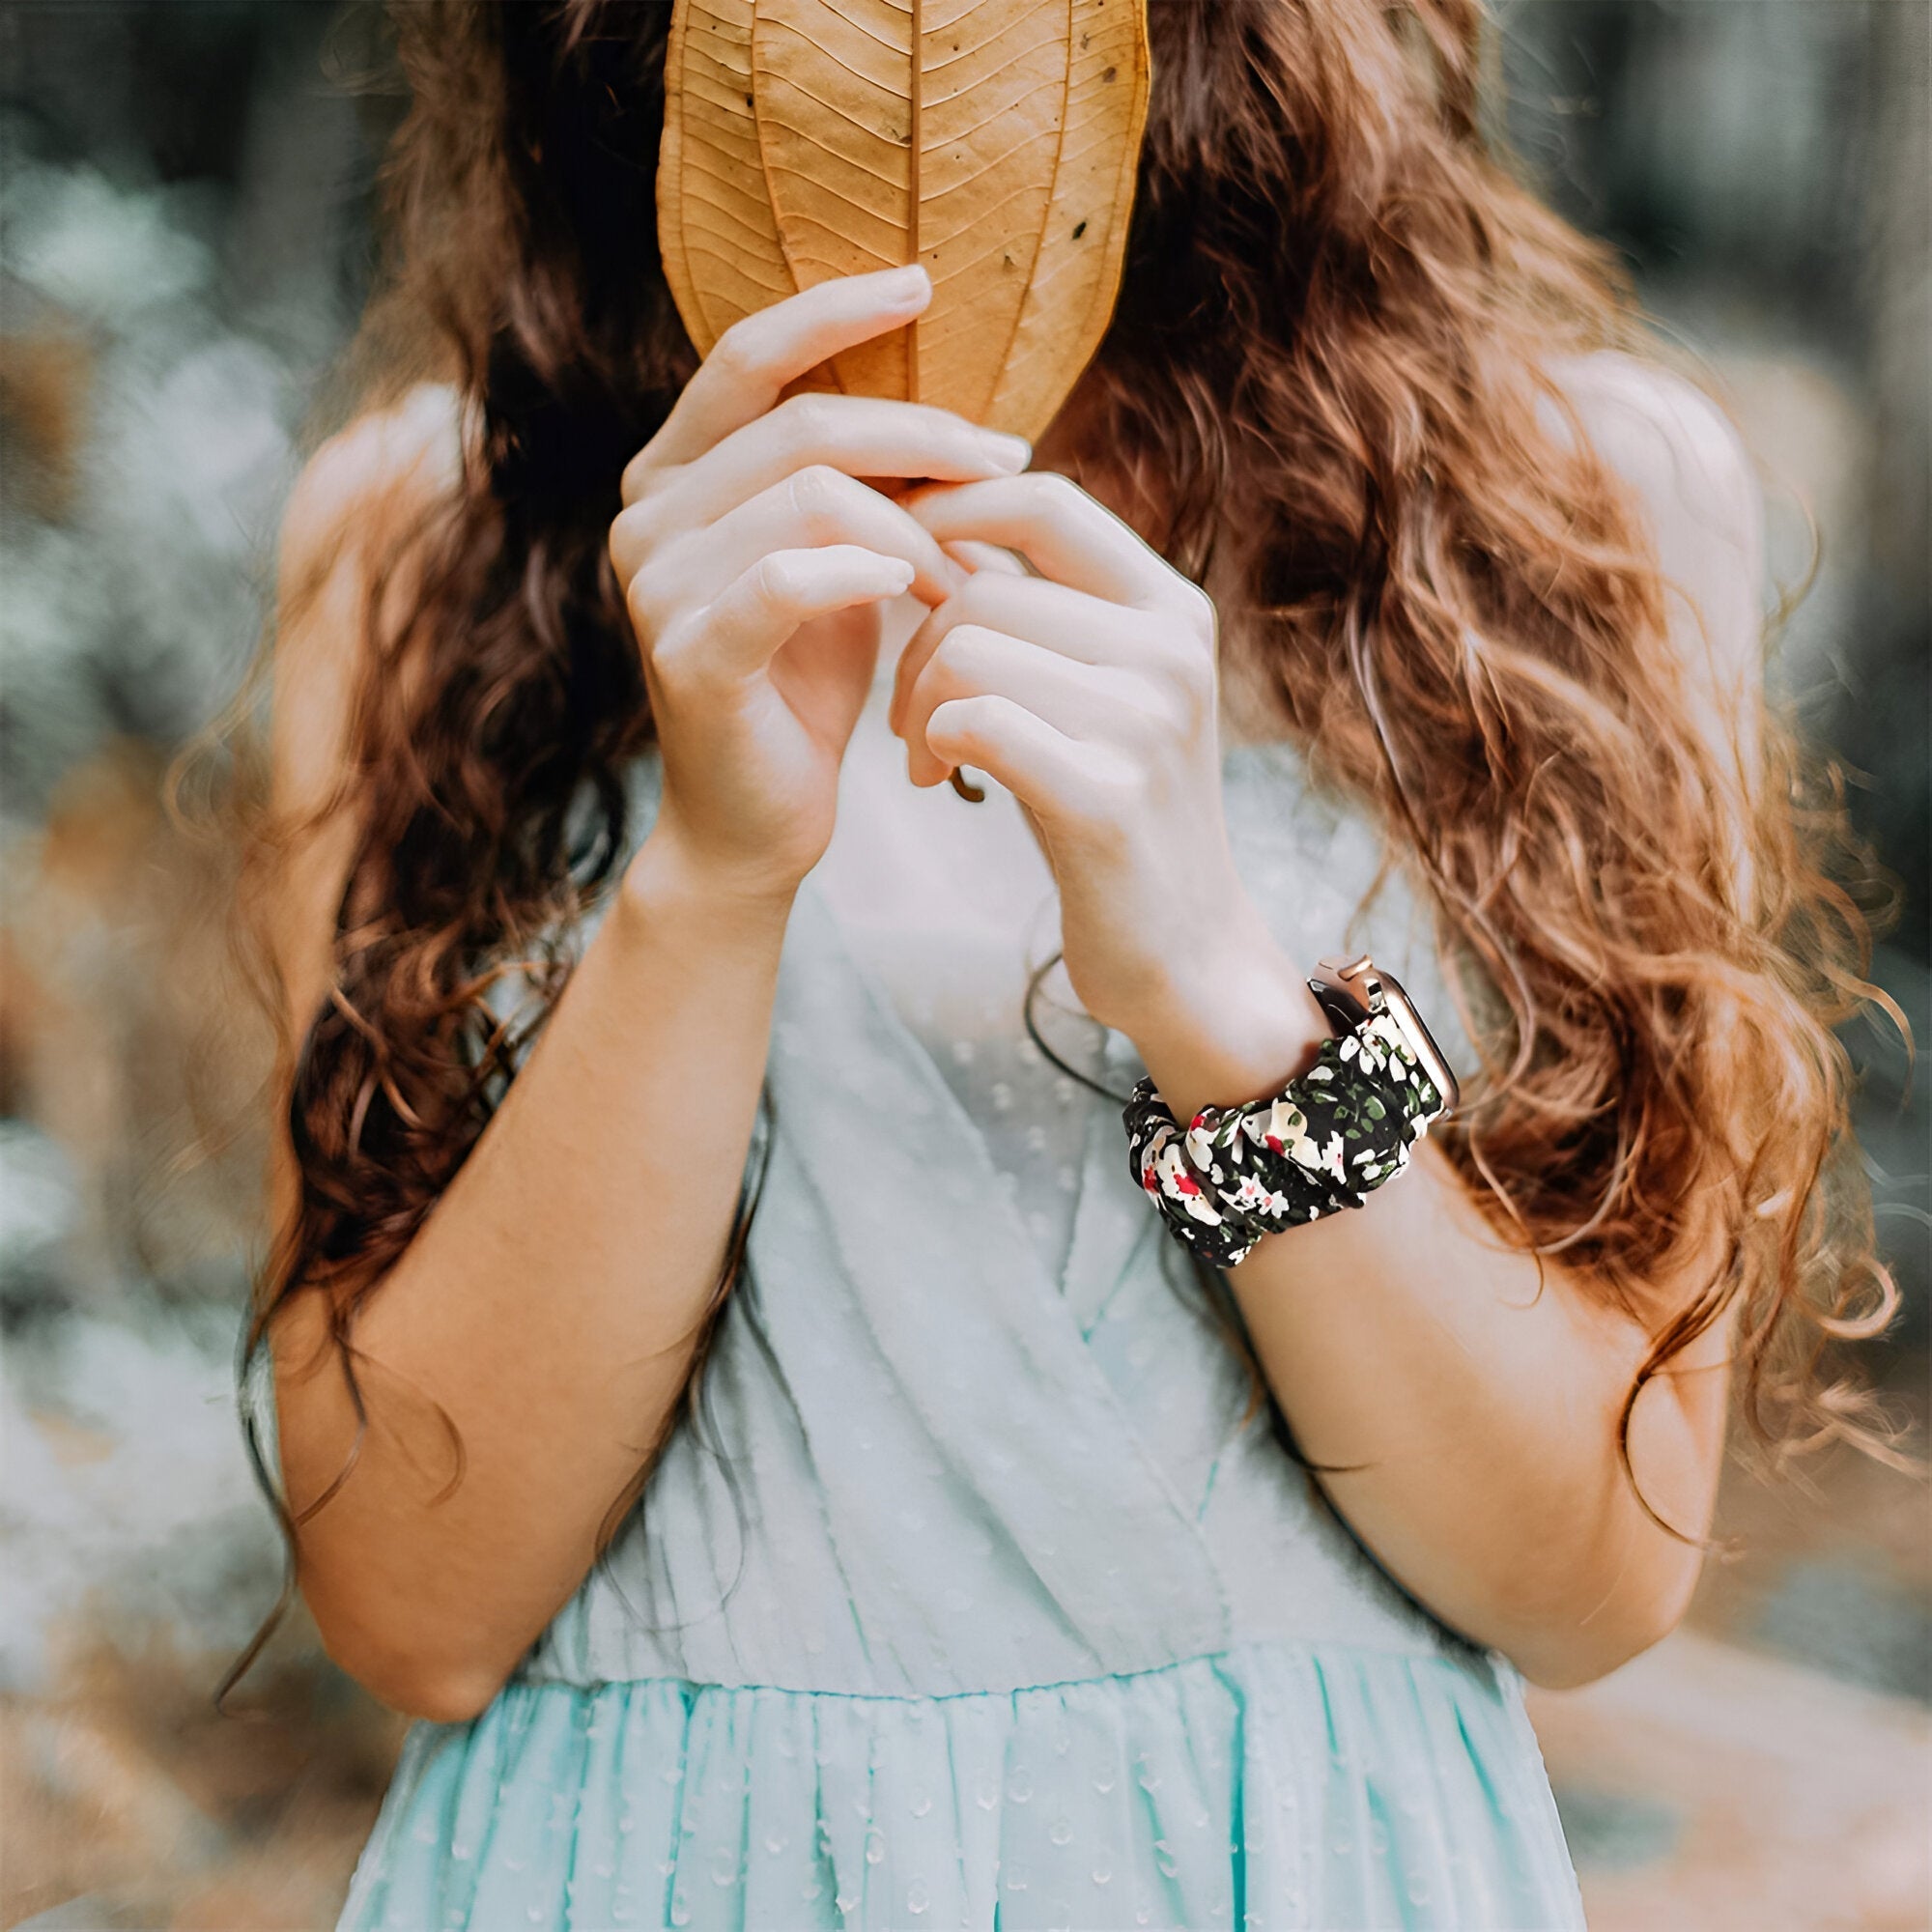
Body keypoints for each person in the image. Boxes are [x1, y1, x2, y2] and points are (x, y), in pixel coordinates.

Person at [221, 3, 1904, 1926]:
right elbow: (410, 1605)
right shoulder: (438, 533)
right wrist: (707, 879)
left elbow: (1588, 1575)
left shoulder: (1566, 501)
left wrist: (1211, 985)